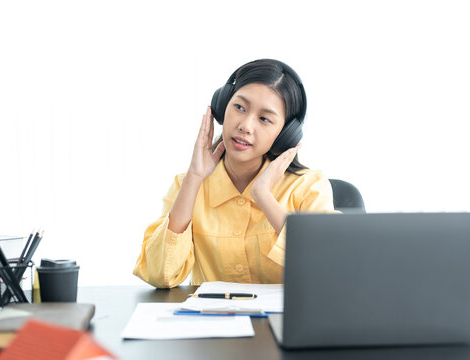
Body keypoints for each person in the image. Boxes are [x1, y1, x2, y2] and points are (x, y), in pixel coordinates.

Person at [133, 59, 339, 288]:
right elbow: (159, 275)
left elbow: (329, 271)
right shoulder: (188, 185)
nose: (246, 126)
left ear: (285, 134)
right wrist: (193, 178)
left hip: (285, 323)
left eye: (264, 119)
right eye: (239, 107)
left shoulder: (308, 187)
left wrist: (263, 195)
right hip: (213, 321)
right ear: (223, 107)